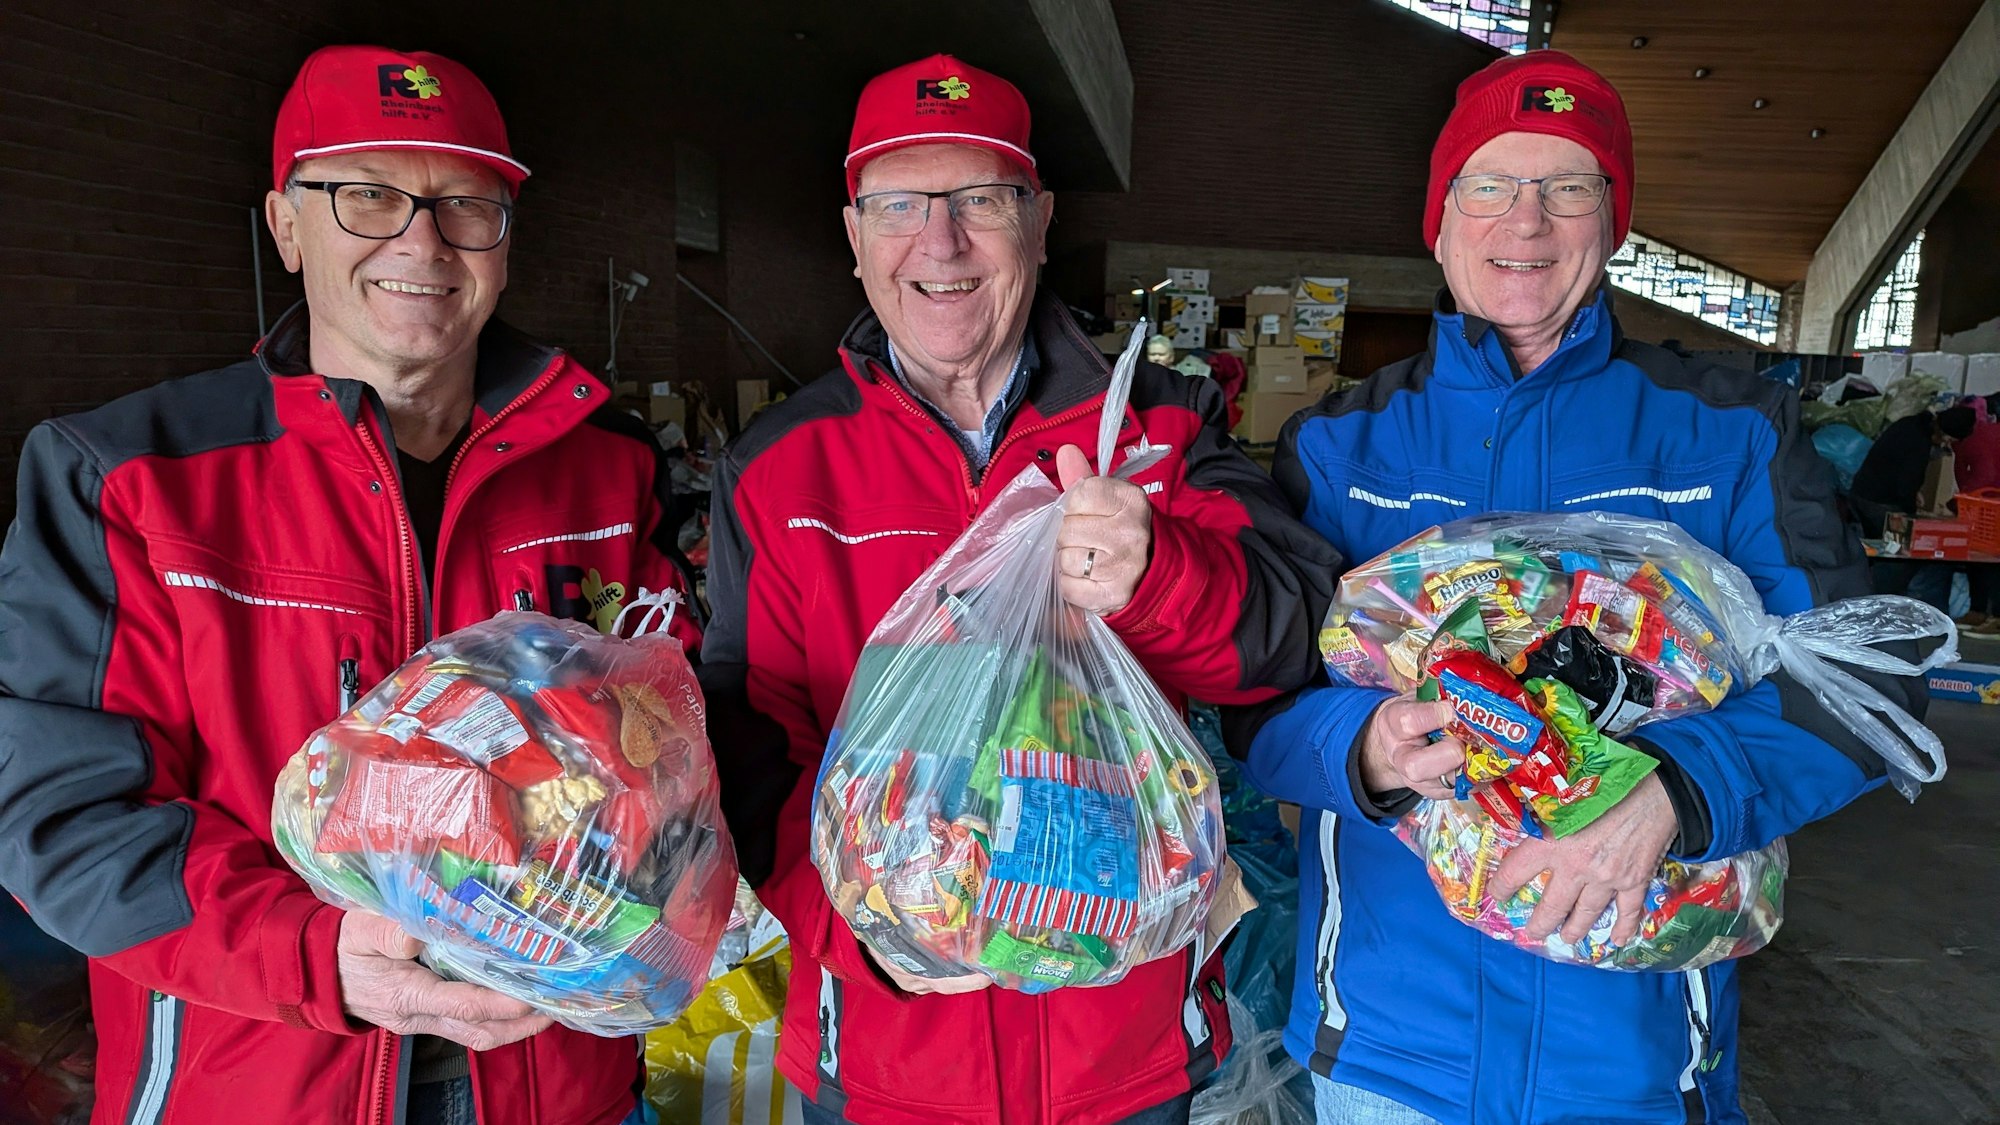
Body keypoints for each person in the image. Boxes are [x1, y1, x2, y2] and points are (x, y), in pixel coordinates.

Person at [1227, 51, 1929, 1125]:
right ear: (1440, 216)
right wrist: (1359, 749)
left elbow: (1867, 680)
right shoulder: (1338, 446)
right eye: (1491, 185)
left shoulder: (1727, 432)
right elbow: (1253, 706)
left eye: (1568, 187)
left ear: (1611, 221)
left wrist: (1674, 789)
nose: (1527, 221)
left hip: (1633, 1059)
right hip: (1385, 1051)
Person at [0, 45, 696, 1125]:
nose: (420, 241)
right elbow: (62, 819)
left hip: (553, 1080)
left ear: (505, 238)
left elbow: (671, 743)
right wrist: (324, 954)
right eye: (367, 196)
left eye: (466, 203)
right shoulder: (126, 480)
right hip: (258, 1077)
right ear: (286, 223)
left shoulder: (607, 465)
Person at [696, 53, 1336, 1125]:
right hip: (886, 1051)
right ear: (854, 237)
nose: (938, 243)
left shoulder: (1160, 431)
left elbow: (1291, 634)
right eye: (899, 204)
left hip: (1120, 1056)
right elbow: (746, 746)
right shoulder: (776, 468)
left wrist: (1155, 574)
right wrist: (853, 928)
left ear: (1037, 224)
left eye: (978, 201)